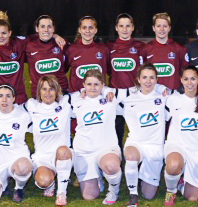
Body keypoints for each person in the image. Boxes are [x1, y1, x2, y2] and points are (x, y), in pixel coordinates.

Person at [119, 65, 170, 207]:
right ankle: (133, 193)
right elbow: (106, 96)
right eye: (145, 77)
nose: (148, 81)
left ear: (157, 80)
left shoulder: (164, 98)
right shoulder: (128, 99)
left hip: (155, 147)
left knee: (149, 195)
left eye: (152, 78)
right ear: (138, 80)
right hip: (136, 143)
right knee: (131, 157)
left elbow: (185, 95)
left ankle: (139, 176)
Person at [70, 69, 123, 204]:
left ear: (102, 85)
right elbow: (56, 98)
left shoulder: (111, 98)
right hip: (84, 151)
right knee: (89, 196)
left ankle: (113, 191)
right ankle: (98, 177)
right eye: (89, 84)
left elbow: (138, 90)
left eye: (96, 84)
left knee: (111, 166)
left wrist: (107, 91)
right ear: (83, 85)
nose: (92, 88)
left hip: (105, 147)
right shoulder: (75, 99)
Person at [163, 66, 198, 204]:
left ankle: (180, 184)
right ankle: (171, 191)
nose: (189, 82)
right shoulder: (172, 99)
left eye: (193, 79)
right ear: (181, 80)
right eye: (186, 79)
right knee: (173, 165)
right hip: (177, 144)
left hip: (197, 149)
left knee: (191, 198)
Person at [0, 84, 34, 204]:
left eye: (8, 96)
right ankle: (3, 184)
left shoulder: (23, 115)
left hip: (16, 159)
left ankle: (18, 188)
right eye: (1, 96)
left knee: (23, 167)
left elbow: (39, 130)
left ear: (14, 98)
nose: (4, 100)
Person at [25, 75, 74, 207]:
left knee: (63, 150)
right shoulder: (31, 105)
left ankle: (61, 192)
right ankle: (51, 182)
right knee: (43, 181)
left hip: (62, 154)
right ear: (39, 91)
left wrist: (106, 91)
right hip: (43, 157)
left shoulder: (65, 103)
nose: (47, 93)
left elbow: (88, 91)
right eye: (44, 89)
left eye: (51, 89)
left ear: (57, 90)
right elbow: (11, 108)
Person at [107, 13, 145, 147]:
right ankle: (117, 156)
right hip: (115, 94)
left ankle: (139, 155)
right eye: (121, 26)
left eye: (128, 26)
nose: (125, 29)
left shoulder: (140, 46)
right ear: (116, 28)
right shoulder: (109, 47)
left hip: (135, 93)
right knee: (116, 129)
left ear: (132, 27)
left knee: (138, 128)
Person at [0, 12, 29, 105]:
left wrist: (55, 36)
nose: (0, 36)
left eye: (4, 33)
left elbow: (39, 38)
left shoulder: (19, 43)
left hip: (18, 96)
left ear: (10, 33)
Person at [25, 15, 69, 98]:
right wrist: (54, 35)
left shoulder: (62, 43)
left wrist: (55, 36)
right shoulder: (29, 45)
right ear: (36, 29)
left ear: (53, 29)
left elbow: (68, 64)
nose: (46, 29)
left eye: (49, 26)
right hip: (39, 94)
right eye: (42, 26)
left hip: (60, 92)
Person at [140, 12, 186, 91]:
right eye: (158, 26)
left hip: (173, 94)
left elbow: (185, 73)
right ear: (153, 28)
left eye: (165, 26)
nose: (162, 29)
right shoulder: (146, 49)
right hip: (153, 94)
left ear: (169, 28)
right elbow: (141, 74)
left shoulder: (179, 49)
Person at [66, 15, 108, 93]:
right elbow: (63, 70)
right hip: (76, 96)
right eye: (84, 28)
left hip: (97, 95)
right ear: (79, 30)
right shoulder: (71, 49)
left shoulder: (103, 49)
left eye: (91, 28)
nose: (87, 31)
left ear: (95, 30)